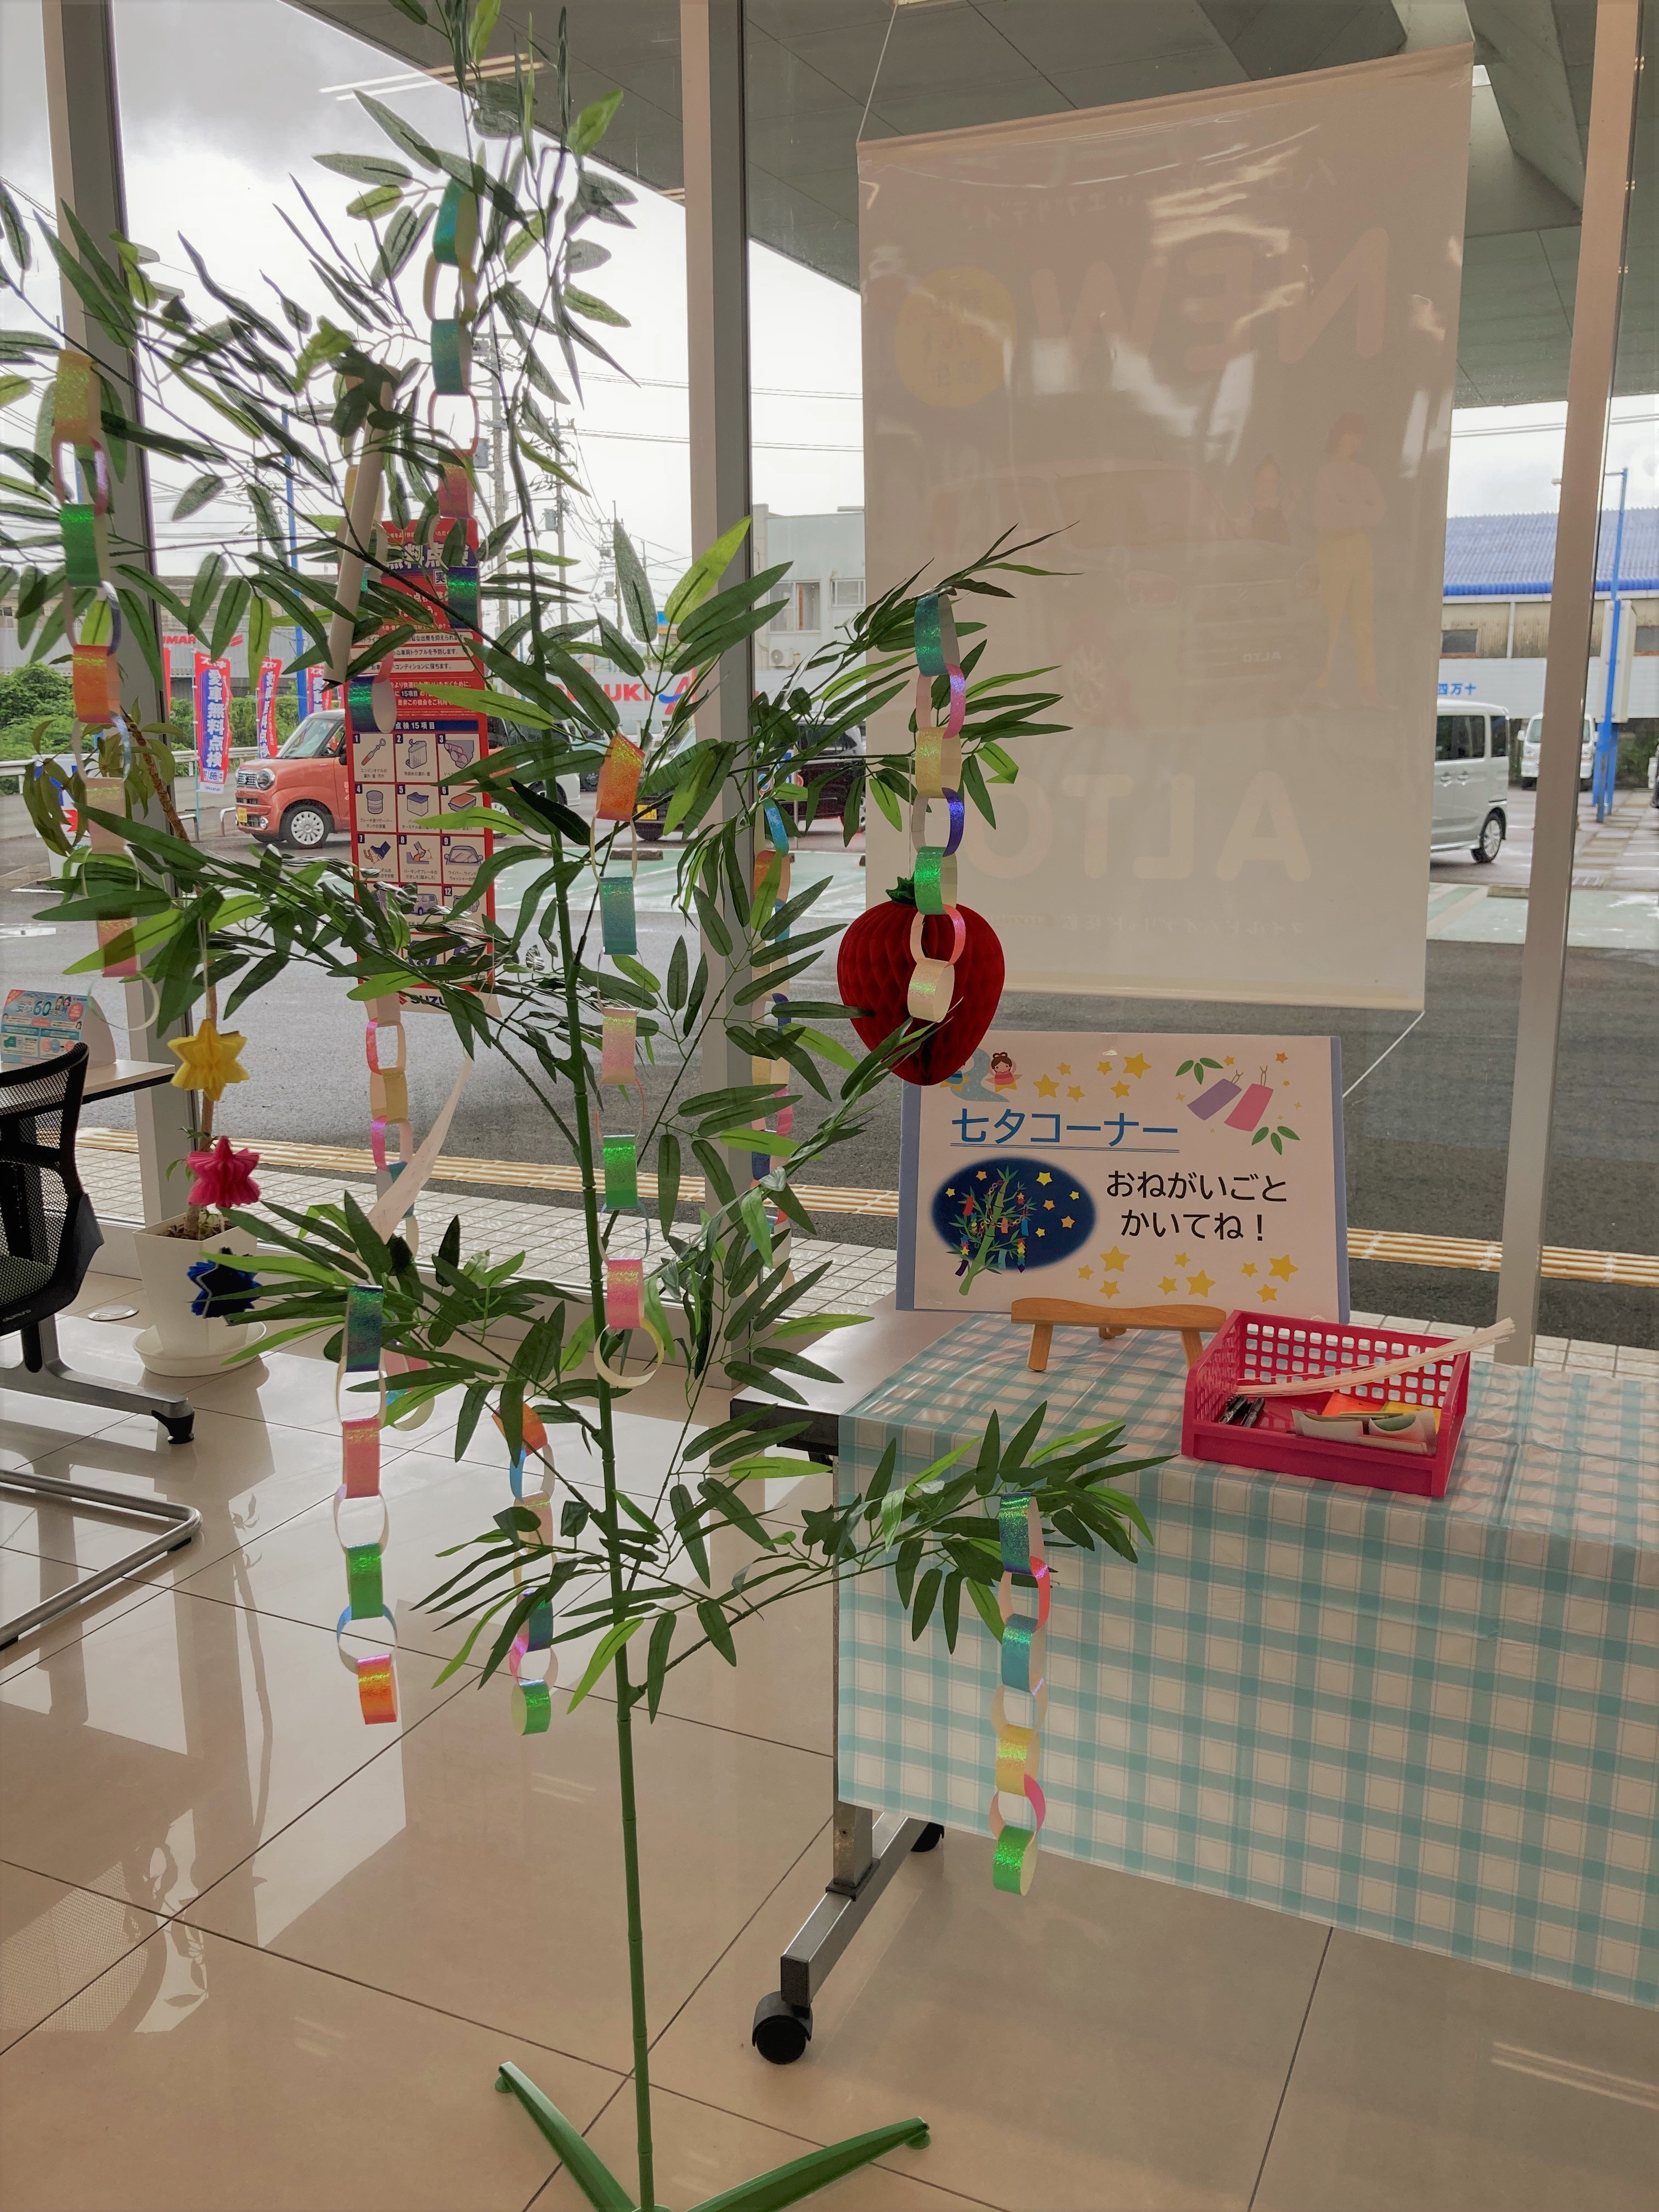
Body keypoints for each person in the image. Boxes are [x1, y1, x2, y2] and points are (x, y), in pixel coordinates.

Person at [1312, 413, 1385, 704]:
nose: (1354, 442)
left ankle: (1369, 691)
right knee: (1330, 621)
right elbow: (1325, 516)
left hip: (1359, 548)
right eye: (1350, 435)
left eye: (1359, 437)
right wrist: (1357, 509)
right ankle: (1320, 688)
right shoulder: (1326, 473)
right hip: (1333, 548)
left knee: (1362, 622)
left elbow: (1379, 511)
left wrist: (1348, 507)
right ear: (1338, 437)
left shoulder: (1365, 474)